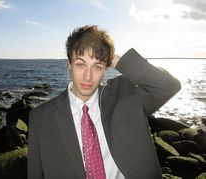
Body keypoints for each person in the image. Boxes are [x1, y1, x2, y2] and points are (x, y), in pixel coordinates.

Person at [28, 25, 181, 179]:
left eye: (97, 66)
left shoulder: (125, 97)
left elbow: (168, 86)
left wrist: (113, 57)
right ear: (69, 63)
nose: (88, 76)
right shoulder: (40, 118)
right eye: (80, 64)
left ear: (106, 67)